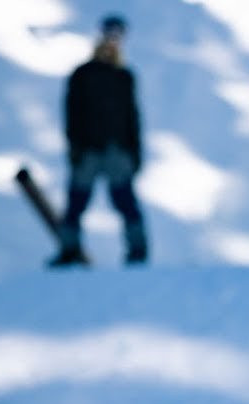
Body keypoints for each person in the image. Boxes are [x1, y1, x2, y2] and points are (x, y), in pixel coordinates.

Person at [48, 14, 148, 268]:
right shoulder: (83, 74)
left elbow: (132, 117)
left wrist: (135, 152)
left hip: (117, 151)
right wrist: (74, 147)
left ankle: (138, 251)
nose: (112, 40)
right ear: (100, 36)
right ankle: (69, 250)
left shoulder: (124, 77)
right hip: (88, 150)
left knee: (125, 201)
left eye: (118, 35)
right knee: (77, 201)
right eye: (109, 34)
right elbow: (71, 114)